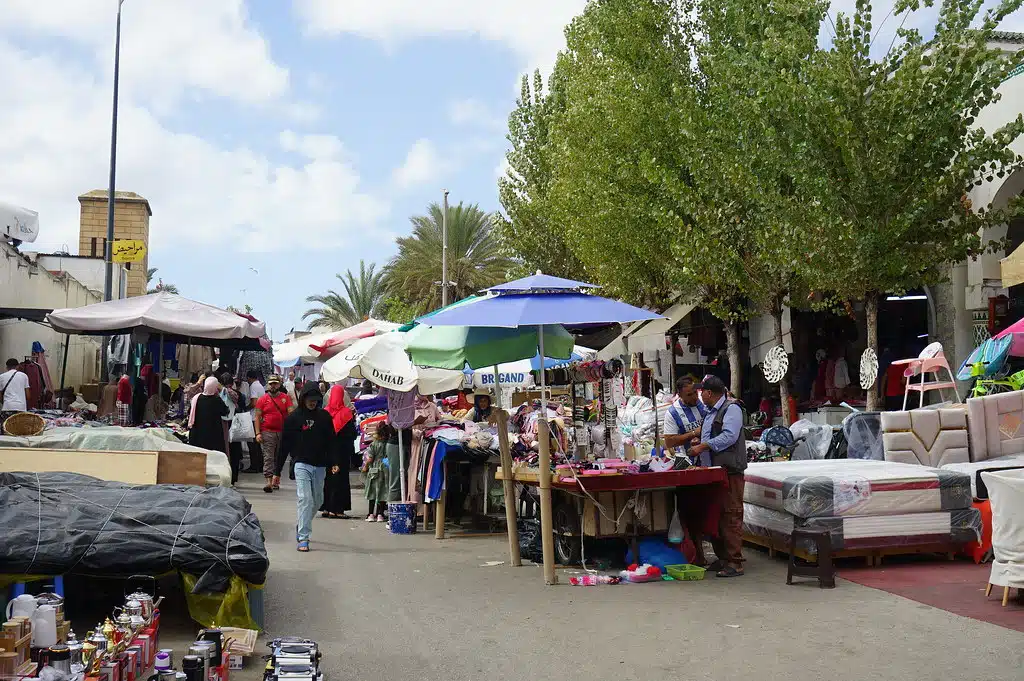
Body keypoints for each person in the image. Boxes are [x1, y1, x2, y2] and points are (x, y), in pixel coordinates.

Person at [689, 375, 747, 578]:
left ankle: (735, 562)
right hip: (713, 471)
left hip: (729, 471)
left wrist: (704, 445)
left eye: (701, 391)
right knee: (717, 515)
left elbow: (730, 436)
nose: (699, 395)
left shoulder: (732, 409)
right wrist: (700, 441)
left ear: (709, 393)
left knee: (731, 515)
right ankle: (723, 558)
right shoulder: (711, 412)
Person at [276, 384, 340, 551]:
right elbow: (283, 446)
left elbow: (332, 441)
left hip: (320, 465)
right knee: (305, 498)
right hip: (301, 463)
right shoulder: (293, 418)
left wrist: (334, 462)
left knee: (317, 500)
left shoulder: (325, 417)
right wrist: (276, 471)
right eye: (310, 400)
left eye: (316, 400)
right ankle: (304, 537)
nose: (312, 403)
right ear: (303, 399)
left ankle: (302, 524)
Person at [254, 374, 294, 493]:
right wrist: (257, 433)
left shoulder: (285, 398)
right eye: (271, 384)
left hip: (282, 432)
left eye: (275, 383)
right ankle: (269, 482)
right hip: (267, 432)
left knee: (279, 457)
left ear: (279, 384)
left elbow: (291, 414)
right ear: (268, 385)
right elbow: (257, 417)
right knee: (268, 457)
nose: (273, 386)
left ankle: (276, 479)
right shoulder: (262, 399)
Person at [321, 385, 354, 518]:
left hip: (327, 452)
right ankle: (338, 509)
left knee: (328, 478)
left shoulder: (324, 413)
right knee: (341, 479)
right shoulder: (347, 413)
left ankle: (326, 507)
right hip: (342, 452)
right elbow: (352, 434)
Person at [663, 377, 708, 465]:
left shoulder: (704, 401)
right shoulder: (673, 413)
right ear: (679, 395)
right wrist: (693, 433)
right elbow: (669, 442)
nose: (694, 397)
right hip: (689, 463)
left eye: (695, 392)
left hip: (710, 459)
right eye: (689, 395)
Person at [362, 422, 393, 522]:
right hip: (385, 469)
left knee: (372, 492)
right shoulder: (388, 444)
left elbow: (370, 458)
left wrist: (365, 466)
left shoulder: (374, 444)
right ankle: (380, 514)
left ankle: (371, 514)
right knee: (382, 492)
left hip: (374, 470)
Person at [189, 377, 229, 453]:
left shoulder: (196, 398)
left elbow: (190, 412)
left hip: (198, 434)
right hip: (214, 436)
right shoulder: (217, 400)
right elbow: (225, 411)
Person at [245, 370, 266, 472]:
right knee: (257, 444)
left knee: (252, 443)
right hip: (259, 416)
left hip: (254, 418)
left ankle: (254, 466)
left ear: (249, 378)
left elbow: (254, 402)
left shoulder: (253, 386)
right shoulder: (260, 386)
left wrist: (245, 408)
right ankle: (260, 465)